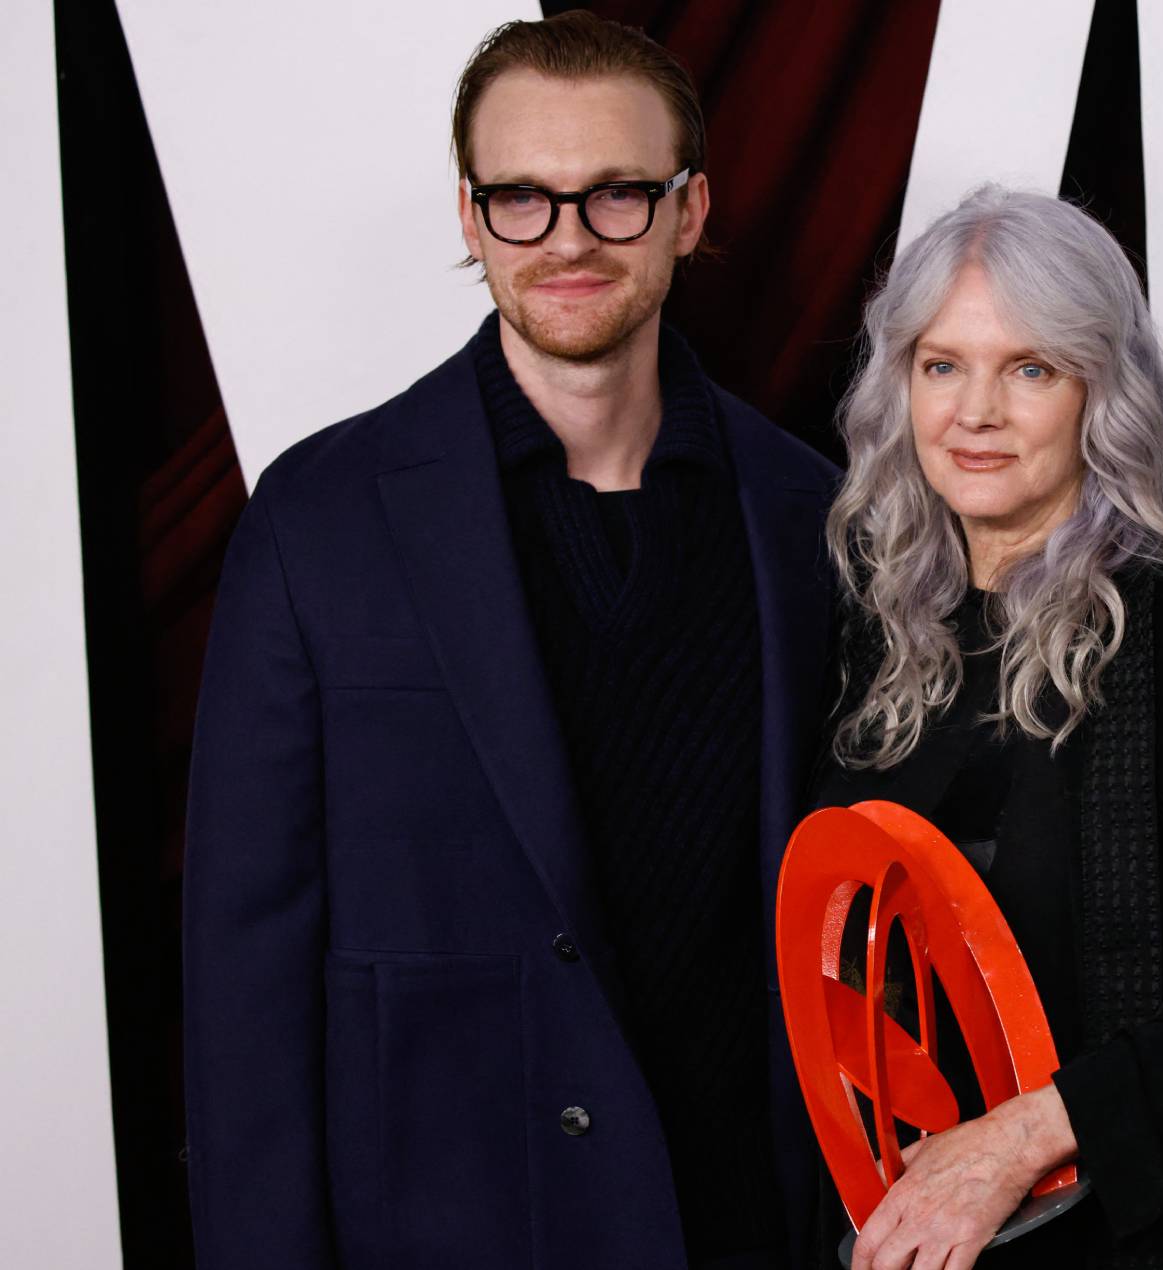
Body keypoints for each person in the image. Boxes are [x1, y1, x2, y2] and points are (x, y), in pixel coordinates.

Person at [182, 13, 837, 1269]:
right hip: (443, 1226)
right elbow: (243, 980)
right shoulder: (319, 520)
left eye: (617, 197)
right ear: (472, 219)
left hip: (746, 1225)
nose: (570, 239)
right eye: (523, 199)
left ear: (690, 211)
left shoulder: (811, 512)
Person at [813, 186, 1163, 1270]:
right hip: (904, 1235)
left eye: (1029, 369)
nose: (974, 411)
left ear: (1102, 394)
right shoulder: (881, 629)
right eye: (941, 364)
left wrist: (1012, 1143)